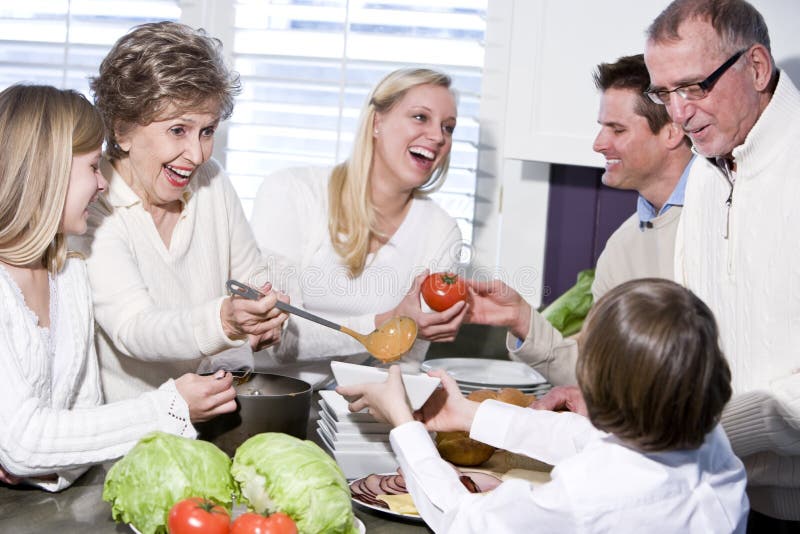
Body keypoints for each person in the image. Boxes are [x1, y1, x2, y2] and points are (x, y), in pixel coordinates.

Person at [338, 279, 748, 533]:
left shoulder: (587, 496)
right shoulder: (711, 443)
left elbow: (464, 521)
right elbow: (589, 441)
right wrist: (469, 415)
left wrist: (404, 425)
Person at [0, 84, 236, 492]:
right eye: (93, 167)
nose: (103, 184)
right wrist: (170, 407)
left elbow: (80, 417)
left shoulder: (69, 273)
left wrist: (43, 462)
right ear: (48, 172)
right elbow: (24, 442)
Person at [642, 0, 800, 526]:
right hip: (721, 494)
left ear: (756, 67)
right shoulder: (708, 171)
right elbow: (693, 327)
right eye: (664, 93)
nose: (679, 112)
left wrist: (718, 427)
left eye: (694, 86)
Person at [71, 21, 288, 402]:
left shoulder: (212, 181)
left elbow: (253, 277)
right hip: (135, 438)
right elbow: (134, 328)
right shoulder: (92, 204)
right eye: (178, 130)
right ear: (121, 129)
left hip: (222, 410)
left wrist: (265, 314)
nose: (198, 154)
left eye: (207, 131)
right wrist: (225, 320)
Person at [467, 54, 694, 386]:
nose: (598, 144)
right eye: (602, 127)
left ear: (672, 131)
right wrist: (522, 319)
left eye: (616, 129)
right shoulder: (623, 246)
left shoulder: (724, 218)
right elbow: (595, 371)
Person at [249, 68, 467, 387]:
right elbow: (278, 340)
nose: (438, 137)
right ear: (377, 122)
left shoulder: (441, 232)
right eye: (421, 117)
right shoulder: (291, 192)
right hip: (264, 402)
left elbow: (405, 365)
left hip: (353, 414)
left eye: (448, 128)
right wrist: (384, 323)